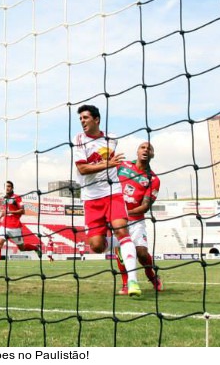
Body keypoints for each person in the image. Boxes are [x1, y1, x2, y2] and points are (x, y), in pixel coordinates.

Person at [73, 104, 141, 296]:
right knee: (96, 246)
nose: (82, 121)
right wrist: (108, 163)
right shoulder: (78, 140)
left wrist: (109, 165)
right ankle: (123, 245)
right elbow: (82, 169)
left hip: (113, 193)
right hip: (90, 198)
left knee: (121, 229)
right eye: (80, 119)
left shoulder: (112, 139)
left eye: (85, 118)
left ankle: (133, 282)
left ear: (96, 119)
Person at [114, 141, 163, 295]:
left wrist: (127, 214)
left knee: (141, 253)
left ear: (152, 155)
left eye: (149, 149)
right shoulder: (122, 166)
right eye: (143, 147)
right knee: (121, 252)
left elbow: (146, 206)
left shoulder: (153, 179)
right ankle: (126, 283)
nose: (146, 150)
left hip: (136, 220)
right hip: (117, 218)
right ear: (137, 151)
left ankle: (152, 276)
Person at [0, 181, 41, 275]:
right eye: (5, 186)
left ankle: (36, 248)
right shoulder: (4, 199)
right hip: (4, 226)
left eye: (9, 186)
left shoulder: (17, 197)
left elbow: (22, 211)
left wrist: (10, 212)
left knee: (22, 248)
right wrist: (1, 216)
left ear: (12, 188)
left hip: (15, 227)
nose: (7, 188)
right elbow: (5, 210)